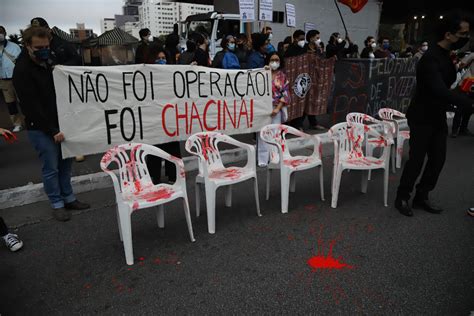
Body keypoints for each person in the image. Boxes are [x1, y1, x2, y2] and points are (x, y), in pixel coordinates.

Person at [395, 12, 473, 217]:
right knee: (417, 159)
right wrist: (468, 102)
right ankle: (402, 196)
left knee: (438, 159)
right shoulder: (430, 58)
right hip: (421, 115)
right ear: (448, 34)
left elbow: (448, 89)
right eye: (462, 34)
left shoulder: (447, 56)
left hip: (437, 114)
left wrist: (466, 92)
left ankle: (422, 196)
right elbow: (439, 90)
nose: (466, 37)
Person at [13, 26, 90, 222]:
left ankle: (69, 198)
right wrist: (52, 130)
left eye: (46, 46)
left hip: (61, 122)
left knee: (66, 164)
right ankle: (57, 204)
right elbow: (31, 106)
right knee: (51, 167)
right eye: (39, 47)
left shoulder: (50, 61)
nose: (44, 50)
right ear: (28, 46)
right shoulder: (22, 70)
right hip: (40, 127)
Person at [31, 17, 85, 163]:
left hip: (66, 88)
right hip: (47, 89)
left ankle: (77, 149)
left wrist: (61, 67)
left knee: (72, 117)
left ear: (48, 30)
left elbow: (77, 60)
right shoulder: (32, 50)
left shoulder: (63, 44)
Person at [257, 52, 290, 167]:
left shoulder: (282, 76)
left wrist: (277, 109)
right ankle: (262, 159)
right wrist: (263, 70)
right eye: (272, 60)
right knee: (262, 133)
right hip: (262, 108)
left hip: (276, 108)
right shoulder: (262, 73)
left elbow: (285, 94)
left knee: (275, 133)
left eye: (277, 60)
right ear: (268, 61)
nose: (274, 62)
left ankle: (274, 157)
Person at [0, 26, 24, 132]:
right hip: (3, 80)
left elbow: (21, 62)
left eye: (1, 32)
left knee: (23, 101)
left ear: (5, 33)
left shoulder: (14, 47)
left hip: (17, 78)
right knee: (10, 104)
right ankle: (17, 123)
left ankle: (29, 120)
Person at [452, 51, 474, 137]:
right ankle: (455, 130)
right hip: (466, 84)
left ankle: (463, 129)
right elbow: (462, 63)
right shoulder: (473, 55)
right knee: (460, 108)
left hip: (472, 87)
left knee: (470, 109)